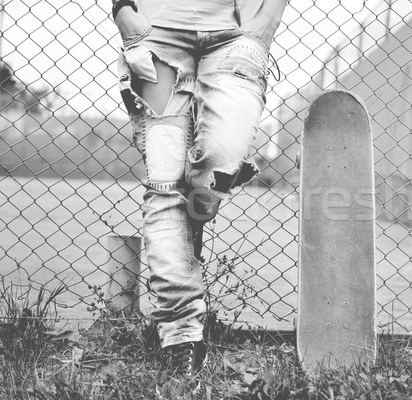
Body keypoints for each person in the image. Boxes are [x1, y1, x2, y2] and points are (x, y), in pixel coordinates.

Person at [111, 0, 288, 376]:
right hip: (157, 34)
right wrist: (124, 10)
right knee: (164, 184)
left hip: (237, 35)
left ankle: (197, 201)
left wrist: (268, 18)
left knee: (216, 161)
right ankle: (181, 335)